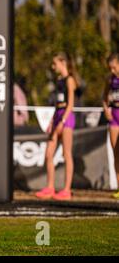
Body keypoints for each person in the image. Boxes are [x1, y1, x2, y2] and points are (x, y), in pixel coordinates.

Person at [36, 52, 79, 201]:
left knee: (66, 154)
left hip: (67, 118)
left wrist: (62, 121)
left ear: (63, 62)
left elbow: (71, 104)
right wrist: (52, 122)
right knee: (49, 153)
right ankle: (50, 187)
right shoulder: (58, 80)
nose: (53, 67)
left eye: (55, 64)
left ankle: (67, 190)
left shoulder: (70, 80)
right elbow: (57, 104)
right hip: (58, 116)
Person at [102, 53, 119, 199]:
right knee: (116, 153)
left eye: (114, 67)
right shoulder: (110, 79)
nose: (112, 71)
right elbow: (104, 97)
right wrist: (106, 109)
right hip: (114, 118)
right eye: (110, 68)